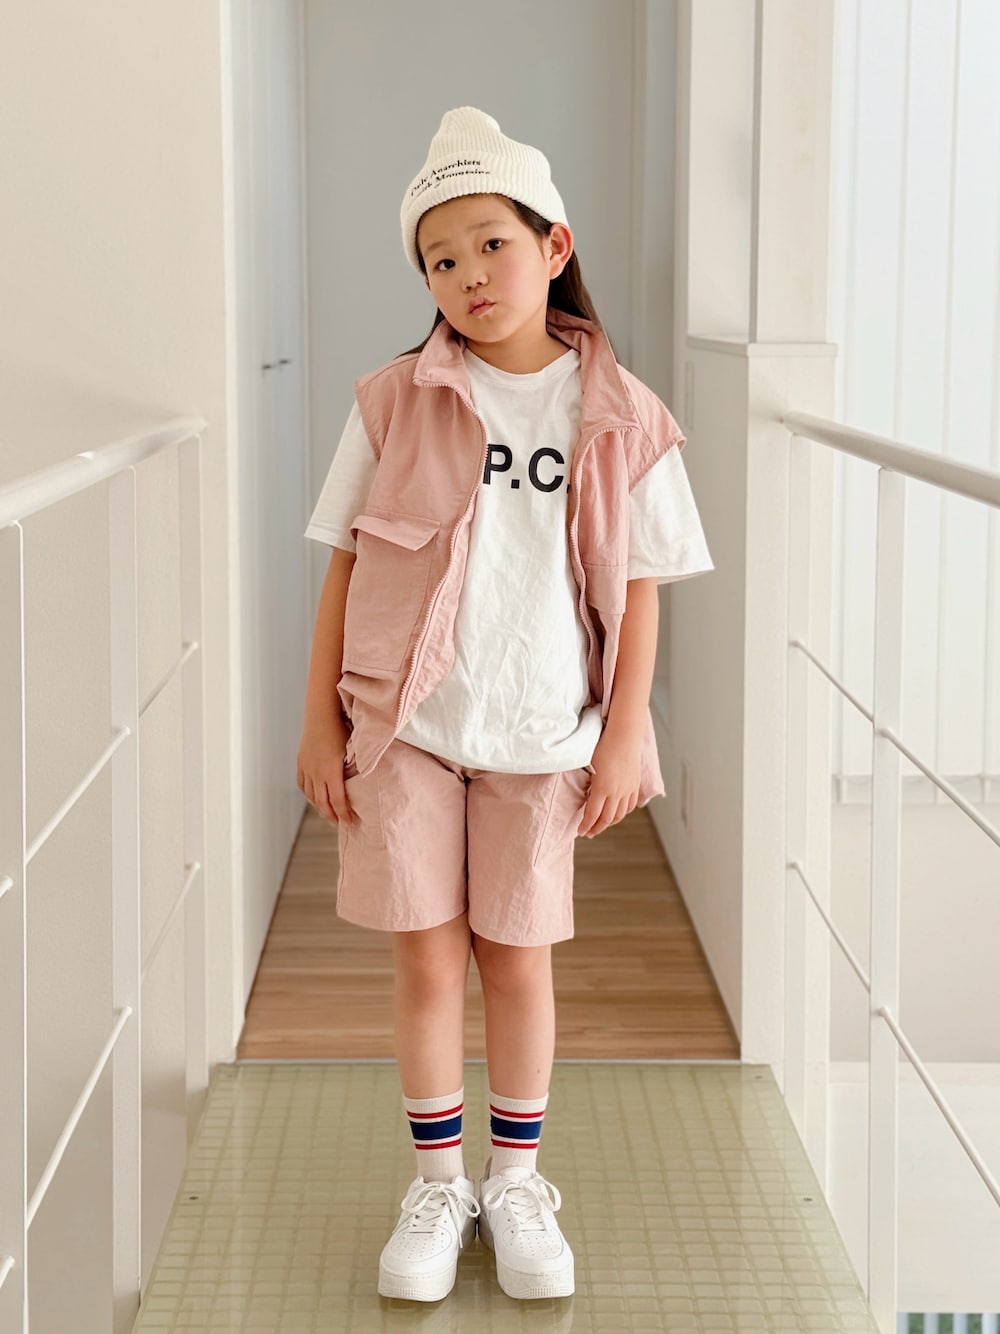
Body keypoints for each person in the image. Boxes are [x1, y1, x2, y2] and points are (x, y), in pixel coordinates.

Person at [297, 107, 713, 1304]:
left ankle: (517, 1179)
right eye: (440, 259)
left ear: (552, 245)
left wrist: (627, 726)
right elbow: (343, 561)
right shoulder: (392, 400)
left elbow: (641, 581)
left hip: (542, 730)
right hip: (408, 730)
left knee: (518, 961)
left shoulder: (622, 414)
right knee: (428, 960)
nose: (468, 274)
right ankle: (439, 1185)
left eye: (491, 244)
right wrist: (319, 719)